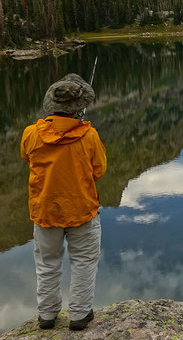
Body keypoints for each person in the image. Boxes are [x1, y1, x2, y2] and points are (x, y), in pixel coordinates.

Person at [20, 73, 107, 331]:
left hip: (45, 211)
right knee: (83, 261)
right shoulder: (89, 136)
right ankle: (79, 315)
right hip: (82, 211)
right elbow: (99, 171)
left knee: (47, 264)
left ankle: (47, 315)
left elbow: (27, 158)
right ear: (78, 108)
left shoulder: (31, 134)